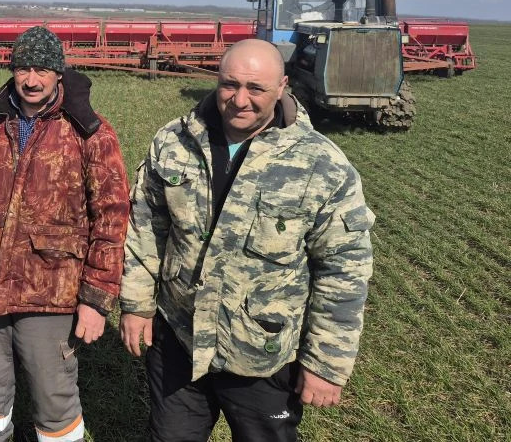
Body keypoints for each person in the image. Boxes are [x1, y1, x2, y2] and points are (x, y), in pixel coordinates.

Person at [120, 38, 375, 442]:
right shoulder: (175, 141)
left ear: (283, 86)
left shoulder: (322, 164)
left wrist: (326, 364)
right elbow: (146, 227)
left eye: (256, 88)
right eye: (230, 84)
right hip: (179, 338)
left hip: (261, 352)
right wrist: (136, 305)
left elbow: (344, 269)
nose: (240, 100)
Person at [0, 26, 130, 442]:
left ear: (59, 73)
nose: (31, 79)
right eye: (23, 68)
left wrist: (96, 299)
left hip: (51, 292)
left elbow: (111, 220)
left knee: (53, 398)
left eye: (42, 69)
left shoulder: (89, 132)